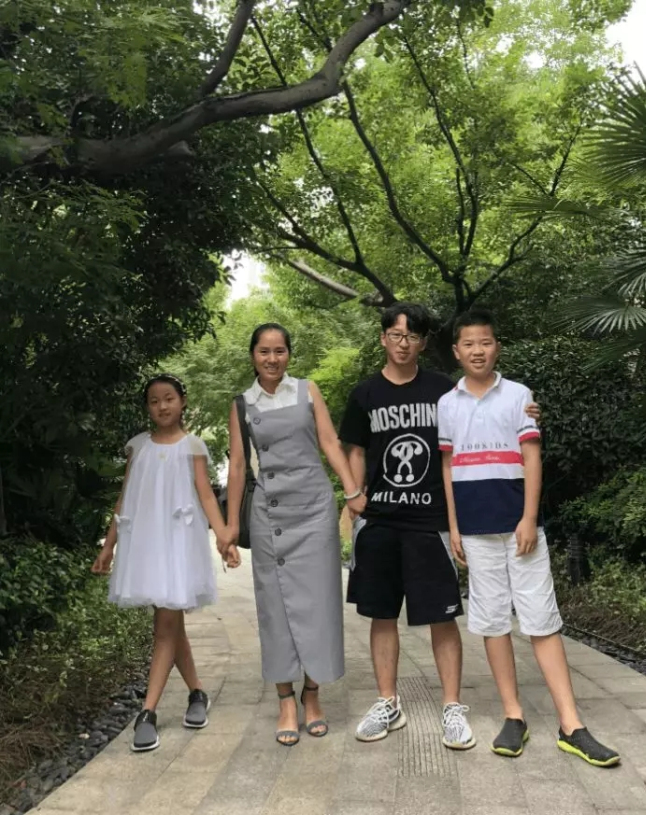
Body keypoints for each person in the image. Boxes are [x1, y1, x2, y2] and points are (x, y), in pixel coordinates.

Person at [339, 302, 540, 750]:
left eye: (412, 336)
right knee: (382, 614)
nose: (403, 343)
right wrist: (354, 495)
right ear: (383, 339)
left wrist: (529, 413)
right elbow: (354, 448)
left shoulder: (442, 391)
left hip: (430, 520)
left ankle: (452, 706)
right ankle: (388, 702)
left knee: (441, 617)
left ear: (424, 342)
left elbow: (478, 421)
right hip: (380, 519)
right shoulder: (364, 394)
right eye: (395, 335)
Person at [438, 308, 620, 767]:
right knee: (493, 622)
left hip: (521, 528)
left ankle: (571, 724)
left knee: (541, 619)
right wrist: (454, 526)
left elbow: (531, 457)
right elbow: (448, 465)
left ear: (497, 347)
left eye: (485, 342)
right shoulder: (447, 404)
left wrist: (529, 517)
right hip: (474, 530)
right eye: (468, 344)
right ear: (456, 351)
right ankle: (513, 716)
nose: (478, 350)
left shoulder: (519, 396)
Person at [222, 323, 366, 746]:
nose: (272, 359)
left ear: (289, 354)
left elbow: (330, 442)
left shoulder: (307, 391)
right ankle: (286, 700)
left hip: (314, 509)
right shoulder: (243, 403)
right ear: (253, 355)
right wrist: (230, 526)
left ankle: (312, 693)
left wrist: (352, 491)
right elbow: (236, 467)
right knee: (275, 607)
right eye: (264, 351)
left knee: (319, 602)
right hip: (270, 514)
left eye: (280, 351)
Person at [91, 374, 238, 753]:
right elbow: (125, 497)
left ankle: (148, 712)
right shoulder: (138, 447)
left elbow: (206, 496)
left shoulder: (193, 446)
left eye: (169, 398)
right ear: (147, 407)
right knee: (171, 628)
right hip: (146, 547)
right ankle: (197, 693)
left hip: (178, 548)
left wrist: (224, 536)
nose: (162, 406)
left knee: (164, 629)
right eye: (154, 401)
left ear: (182, 401)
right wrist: (109, 546)